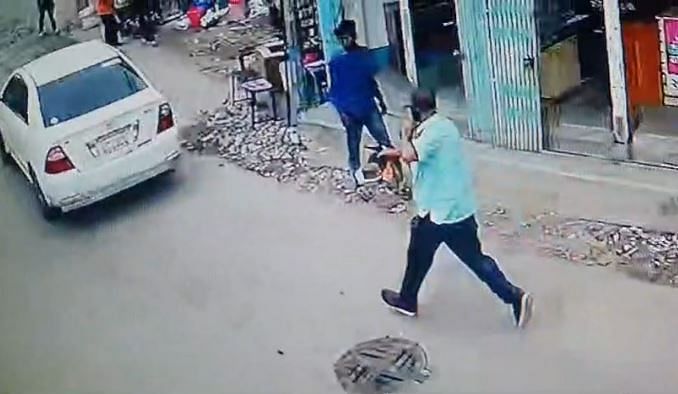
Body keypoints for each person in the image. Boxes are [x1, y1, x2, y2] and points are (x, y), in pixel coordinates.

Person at [379, 89, 534, 329]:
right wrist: (396, 152)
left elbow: (411, 153)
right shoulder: (442, 126)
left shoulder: (433, 132)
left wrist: (404, 132)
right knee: (467, 259)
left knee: (422, 256)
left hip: (440, 213)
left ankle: (408, 300)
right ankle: (514, 297)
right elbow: (418, 152)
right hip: (456, 209)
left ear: (416, 110)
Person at [328, 19, 393, 187]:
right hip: (350, 111)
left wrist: (381, 100)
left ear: (353, 37)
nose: (343, 42)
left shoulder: (365, 55)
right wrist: (341, 112)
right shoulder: (336, 62)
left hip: (368, 106)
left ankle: (391, 170)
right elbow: (334, 90)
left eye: (346, 38)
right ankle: (356, 173)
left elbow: (372, 81)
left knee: (384, 139)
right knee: (353, 143)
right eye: (341, 39)